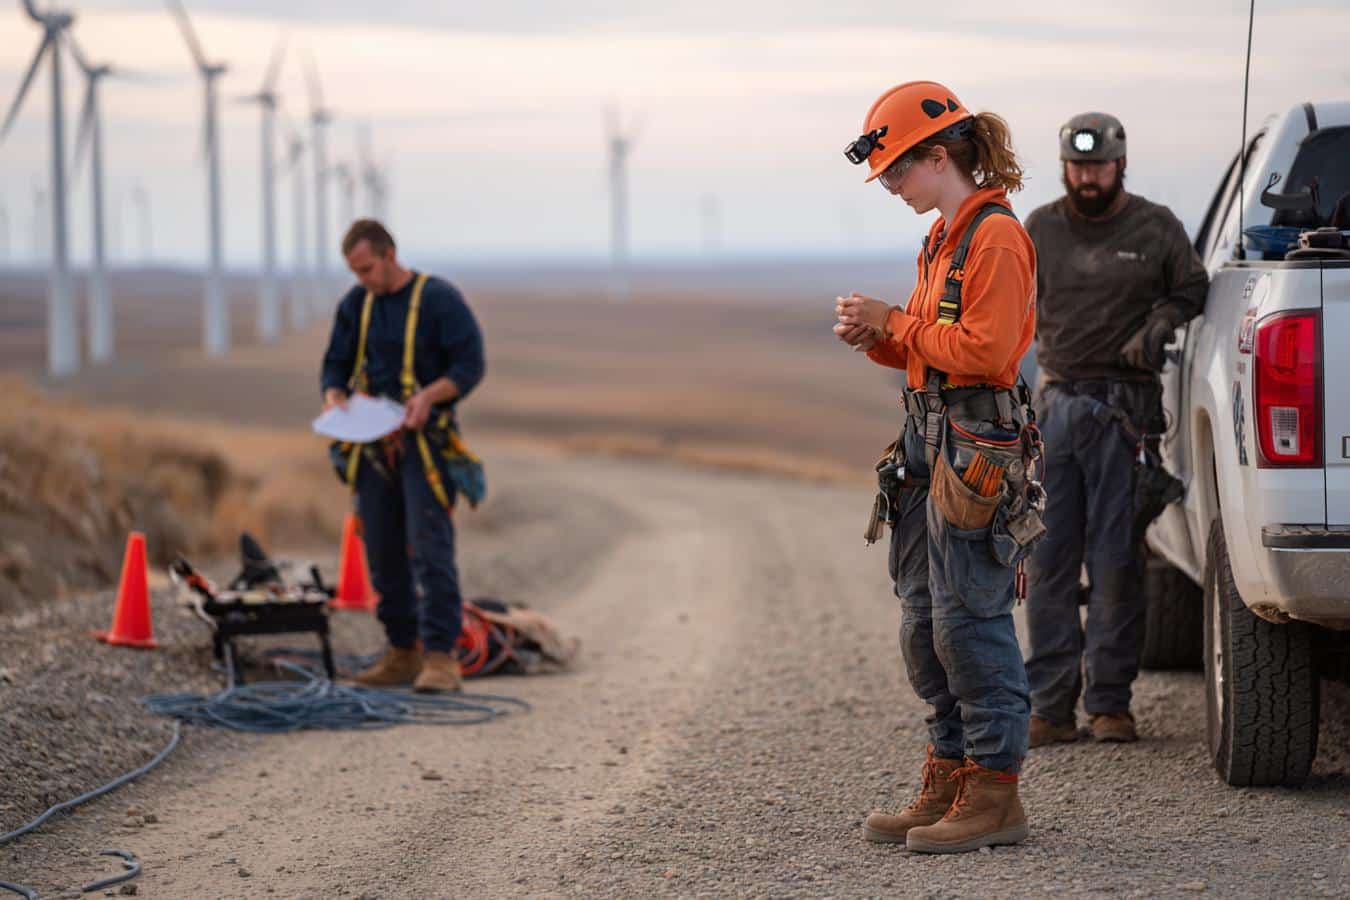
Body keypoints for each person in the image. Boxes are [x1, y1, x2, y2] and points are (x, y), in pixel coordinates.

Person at [834, 81, 1041, 854]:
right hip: (929, 442)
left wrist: (898, 323)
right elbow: (934, 345)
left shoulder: (994, 238)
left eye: (894, 171)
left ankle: (996, 792)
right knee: (923, 619)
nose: (889, 187)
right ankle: (950, 774)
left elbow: (987, 354)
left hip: (975, 447)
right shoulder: (943, 237)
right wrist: (881, 339)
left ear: (937, 155)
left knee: (969, 618)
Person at [1022, 113, 1208, 746]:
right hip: (1055, 411)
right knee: (1047, 564)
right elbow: (1011, 306)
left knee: (1115, 564)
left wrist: (1161, 322)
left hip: (1124, 416)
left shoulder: (1154, 227)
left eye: (1098, 165)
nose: (1088, 176)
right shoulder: (1040, 227)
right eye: (1078, 166)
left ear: (1120, 164)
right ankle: (1049, 707)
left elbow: (1192, 287)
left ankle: (1109, 705)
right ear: (1064, 167)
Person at [321, 219, 486, 693]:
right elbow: (336, 361)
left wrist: (430, 396)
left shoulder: (439, 299)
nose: (362, 279)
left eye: (368, 268)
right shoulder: (357, 304)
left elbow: (470, 364)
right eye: (355, 272)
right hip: (373, 448)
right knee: (381, 549)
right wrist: (334, 395)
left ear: (390, 255)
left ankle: (441, 657)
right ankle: (402, 650)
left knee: (429, 546)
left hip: (425, 446)